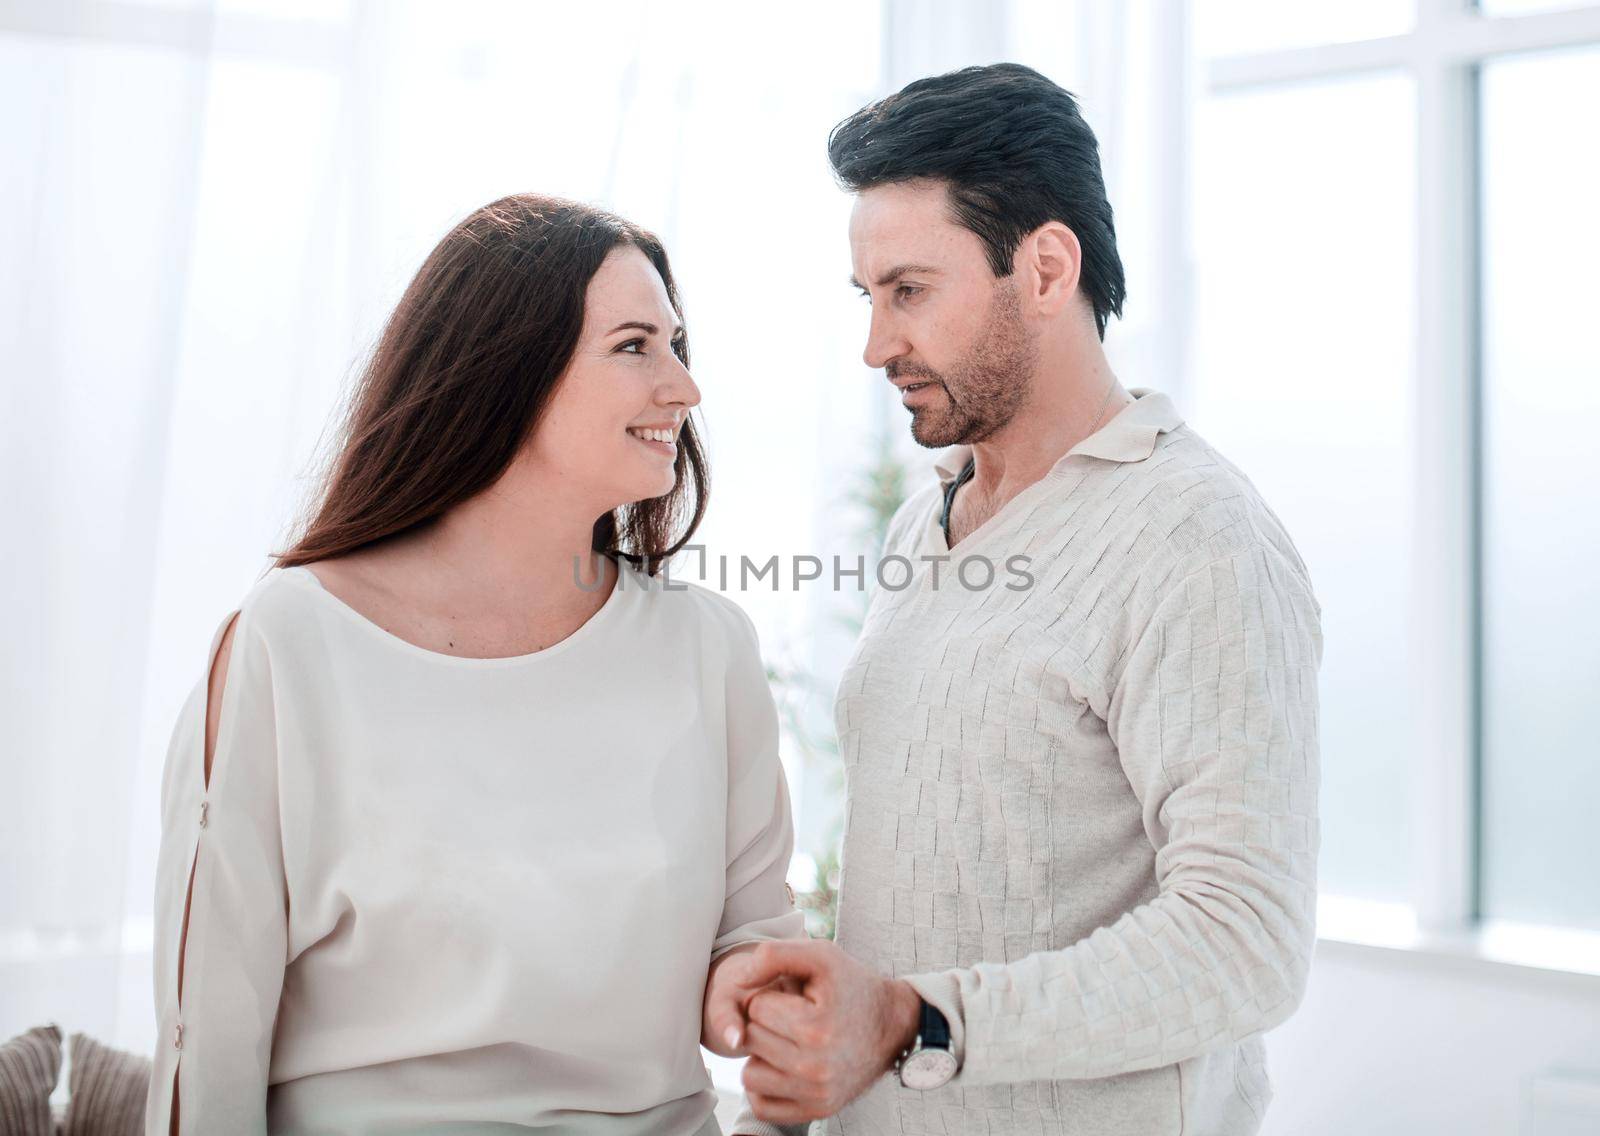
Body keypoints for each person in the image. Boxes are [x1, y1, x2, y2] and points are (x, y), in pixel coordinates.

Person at [723, 63, 1324, 1135]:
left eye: (909, 289)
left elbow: (1244, 938)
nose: (875, 345)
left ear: (1045, 269)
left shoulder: (1197, 538)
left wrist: (919, 1022)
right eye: (869, 298)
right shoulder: (932, 516)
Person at [144, 193, 807, 1135]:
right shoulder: (291, 641)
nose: (684, 388)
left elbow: (760, 947)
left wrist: (763, 1013)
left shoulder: (708, 649)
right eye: (633, 346)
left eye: (676, 345)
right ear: (507, 370)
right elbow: (207, 1036)